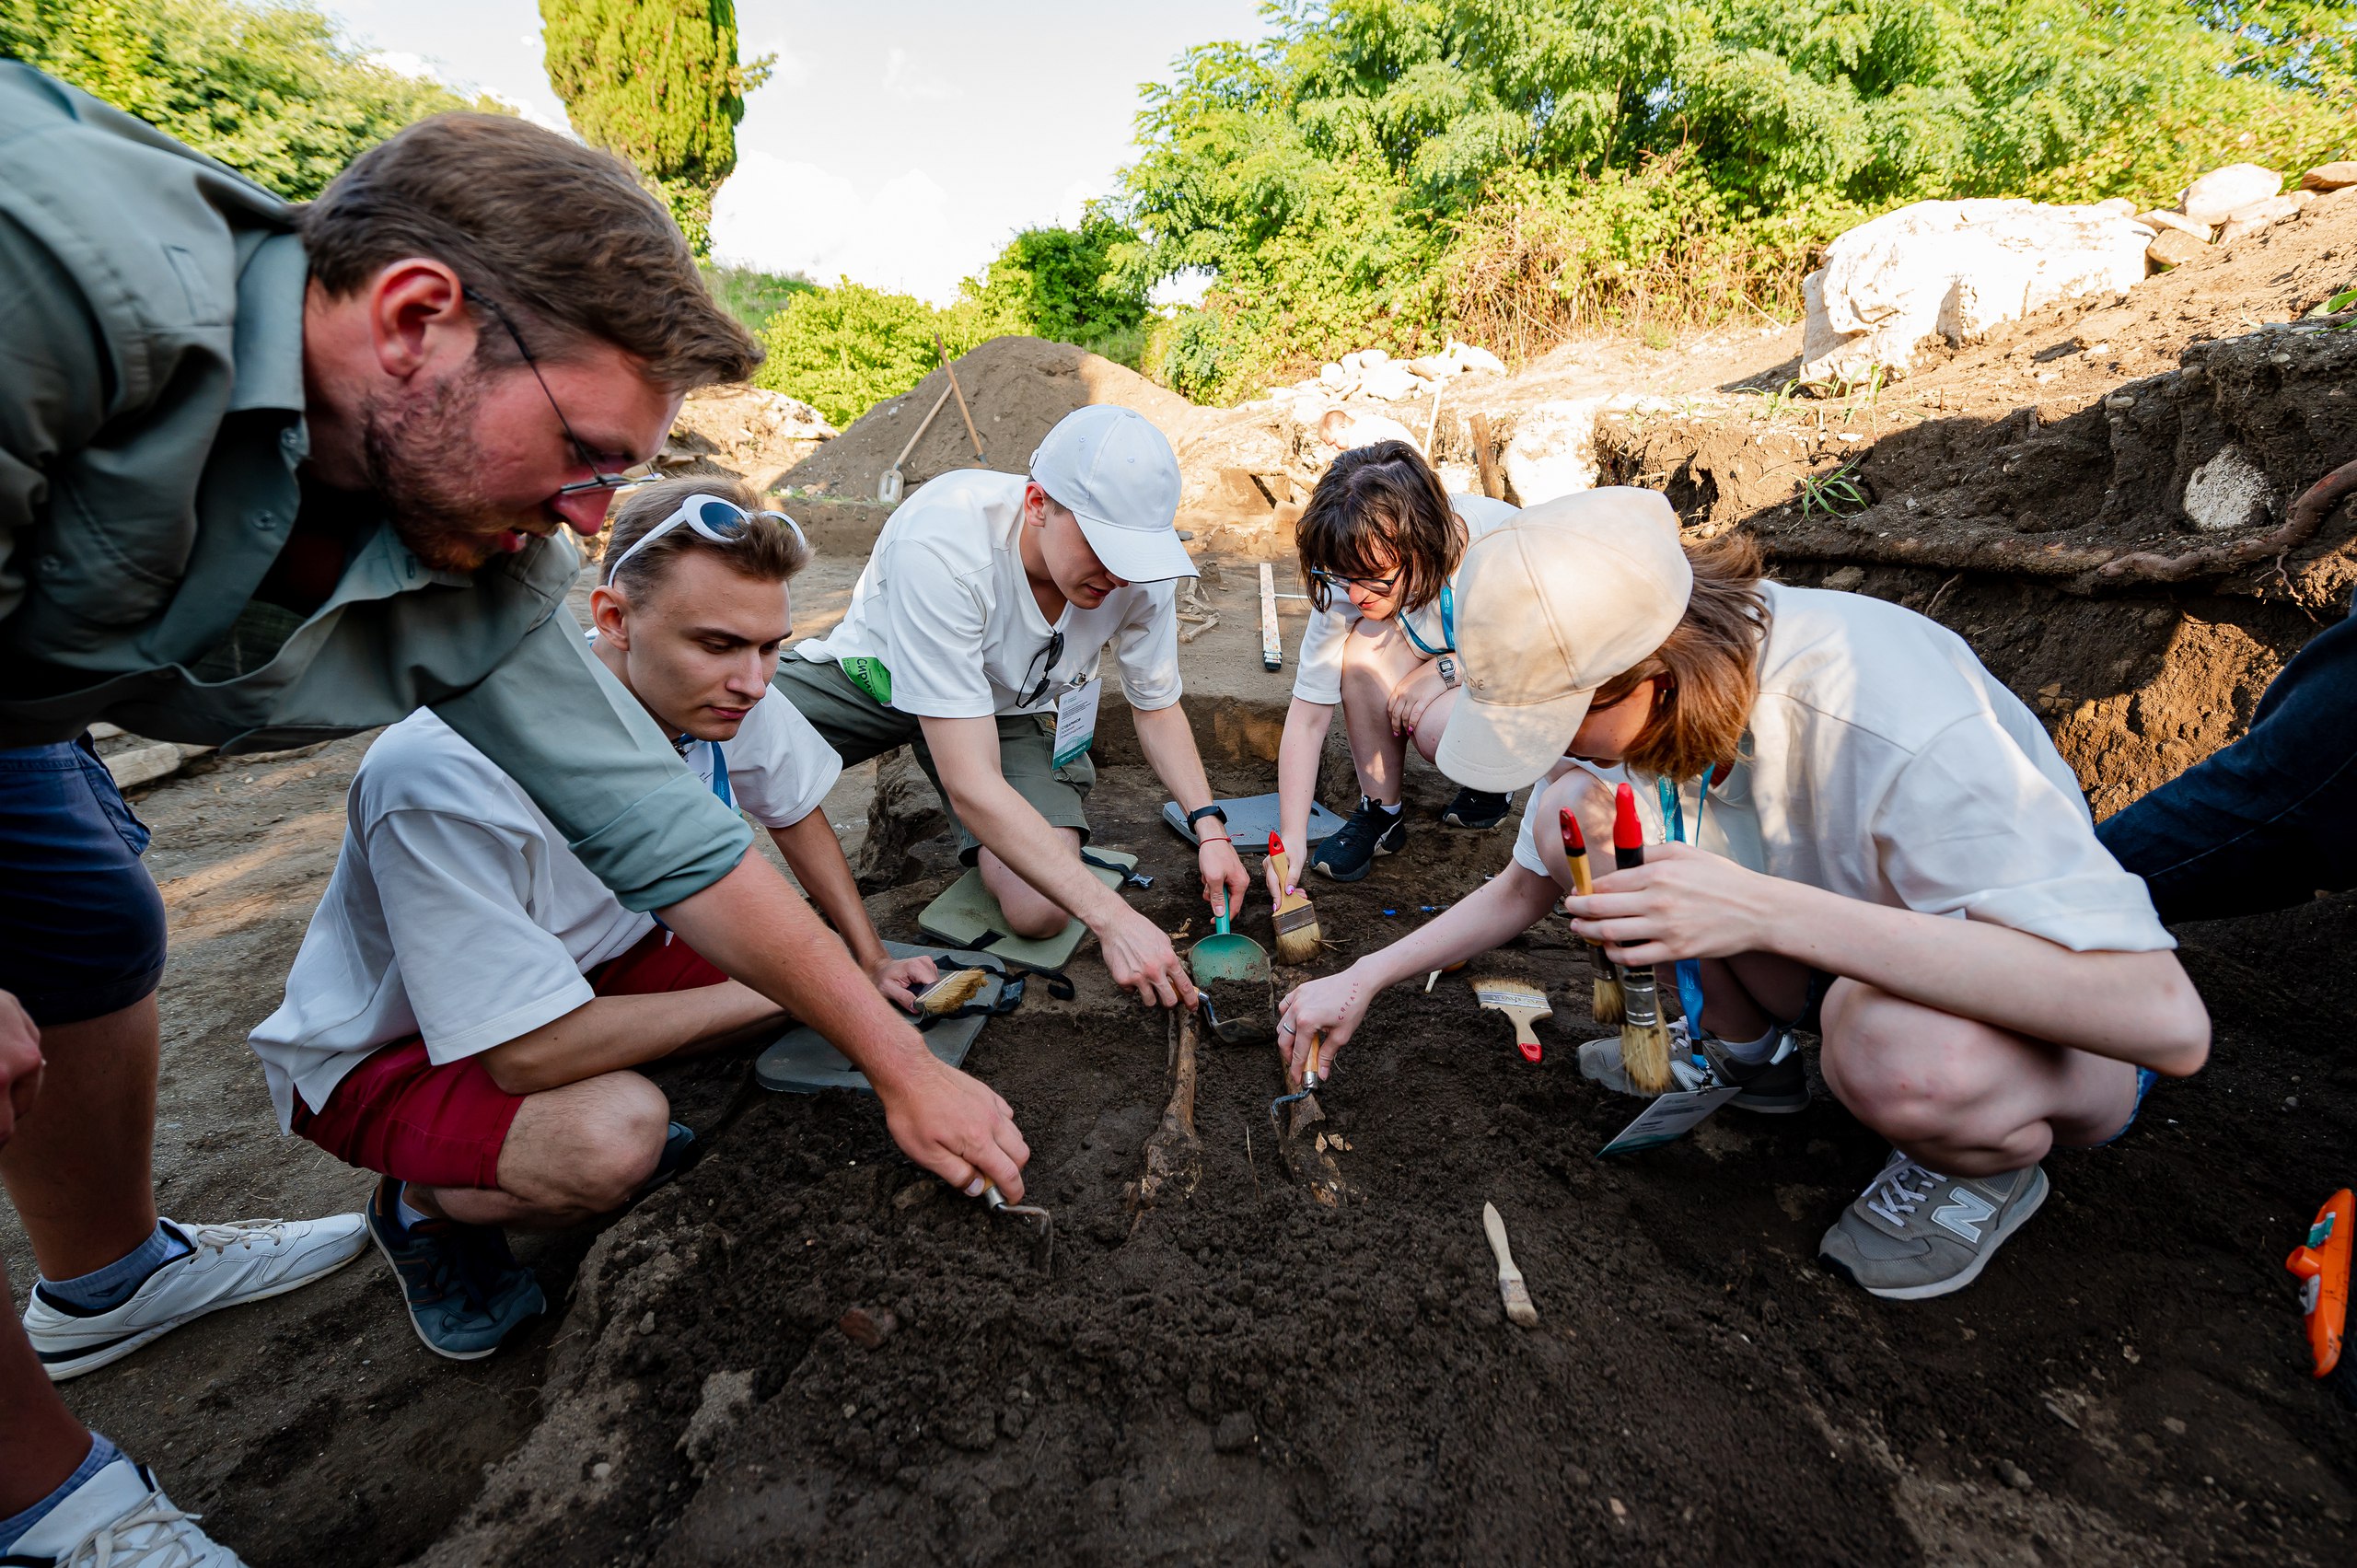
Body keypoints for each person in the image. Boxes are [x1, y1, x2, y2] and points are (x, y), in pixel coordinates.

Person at [0, 67, 1020, 1564]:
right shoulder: (57, 287)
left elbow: (680, 844)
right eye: (586, 452)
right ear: (417, 322)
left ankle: (105, 1279)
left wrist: (892, 1057)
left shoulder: (492, 562)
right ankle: (50, 1500)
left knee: (90, 924)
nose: (597, 511)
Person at [1277, 490, 2211, 1301]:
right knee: (1578, 812)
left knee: (1884, 1044)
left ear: (1648, 674)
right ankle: (1748, 1058)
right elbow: (1526, 881)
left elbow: (2165, 1023)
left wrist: (1761, 909)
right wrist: (1364, 974)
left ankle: (1984, 1163)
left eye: (1566, 722)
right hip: (1848, 961)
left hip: (2048, 1037)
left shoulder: (1882, 711)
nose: (1565, 747)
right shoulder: (1671, 696)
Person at [248, 476, 938, 1357]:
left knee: (785, 954)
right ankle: (418, 1206)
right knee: (617, 1137)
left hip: (592, 965)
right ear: (612, 618)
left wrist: (866, 955)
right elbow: (528, 1049)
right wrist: (816, 986)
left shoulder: (717, 690)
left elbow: (794, 808)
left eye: (772, 648)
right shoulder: (442, 775)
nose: (755, 681)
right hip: (398, 1048)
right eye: (723, 645)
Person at [776, 405, 1248, 1004]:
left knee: (1042, 909)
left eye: (1134, 554)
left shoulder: (1138, 577)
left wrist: (1211, 830)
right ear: (1036, 504)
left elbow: (1155, 706)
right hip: (879, 678)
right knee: (723, 726)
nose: (1118, 576)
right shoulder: (946, 542)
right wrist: (1114, 917)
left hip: (1006, 710)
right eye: (1103, 546)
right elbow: (971, 782)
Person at [1268, 441, 1519, 889]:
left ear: (1422, 543)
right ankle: (1381, 811)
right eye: (1343, 576)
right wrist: (1292, 839)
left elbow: (1537, 659)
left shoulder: (1502, 547)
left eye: (1374, 578)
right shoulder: (1350, 571)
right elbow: (1307, 718)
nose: (1357, 594)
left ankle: (1491, 780)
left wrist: (1448, 671)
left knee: (1437, 730)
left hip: (1506, 668)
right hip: (1446, 649)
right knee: (1363, 650)